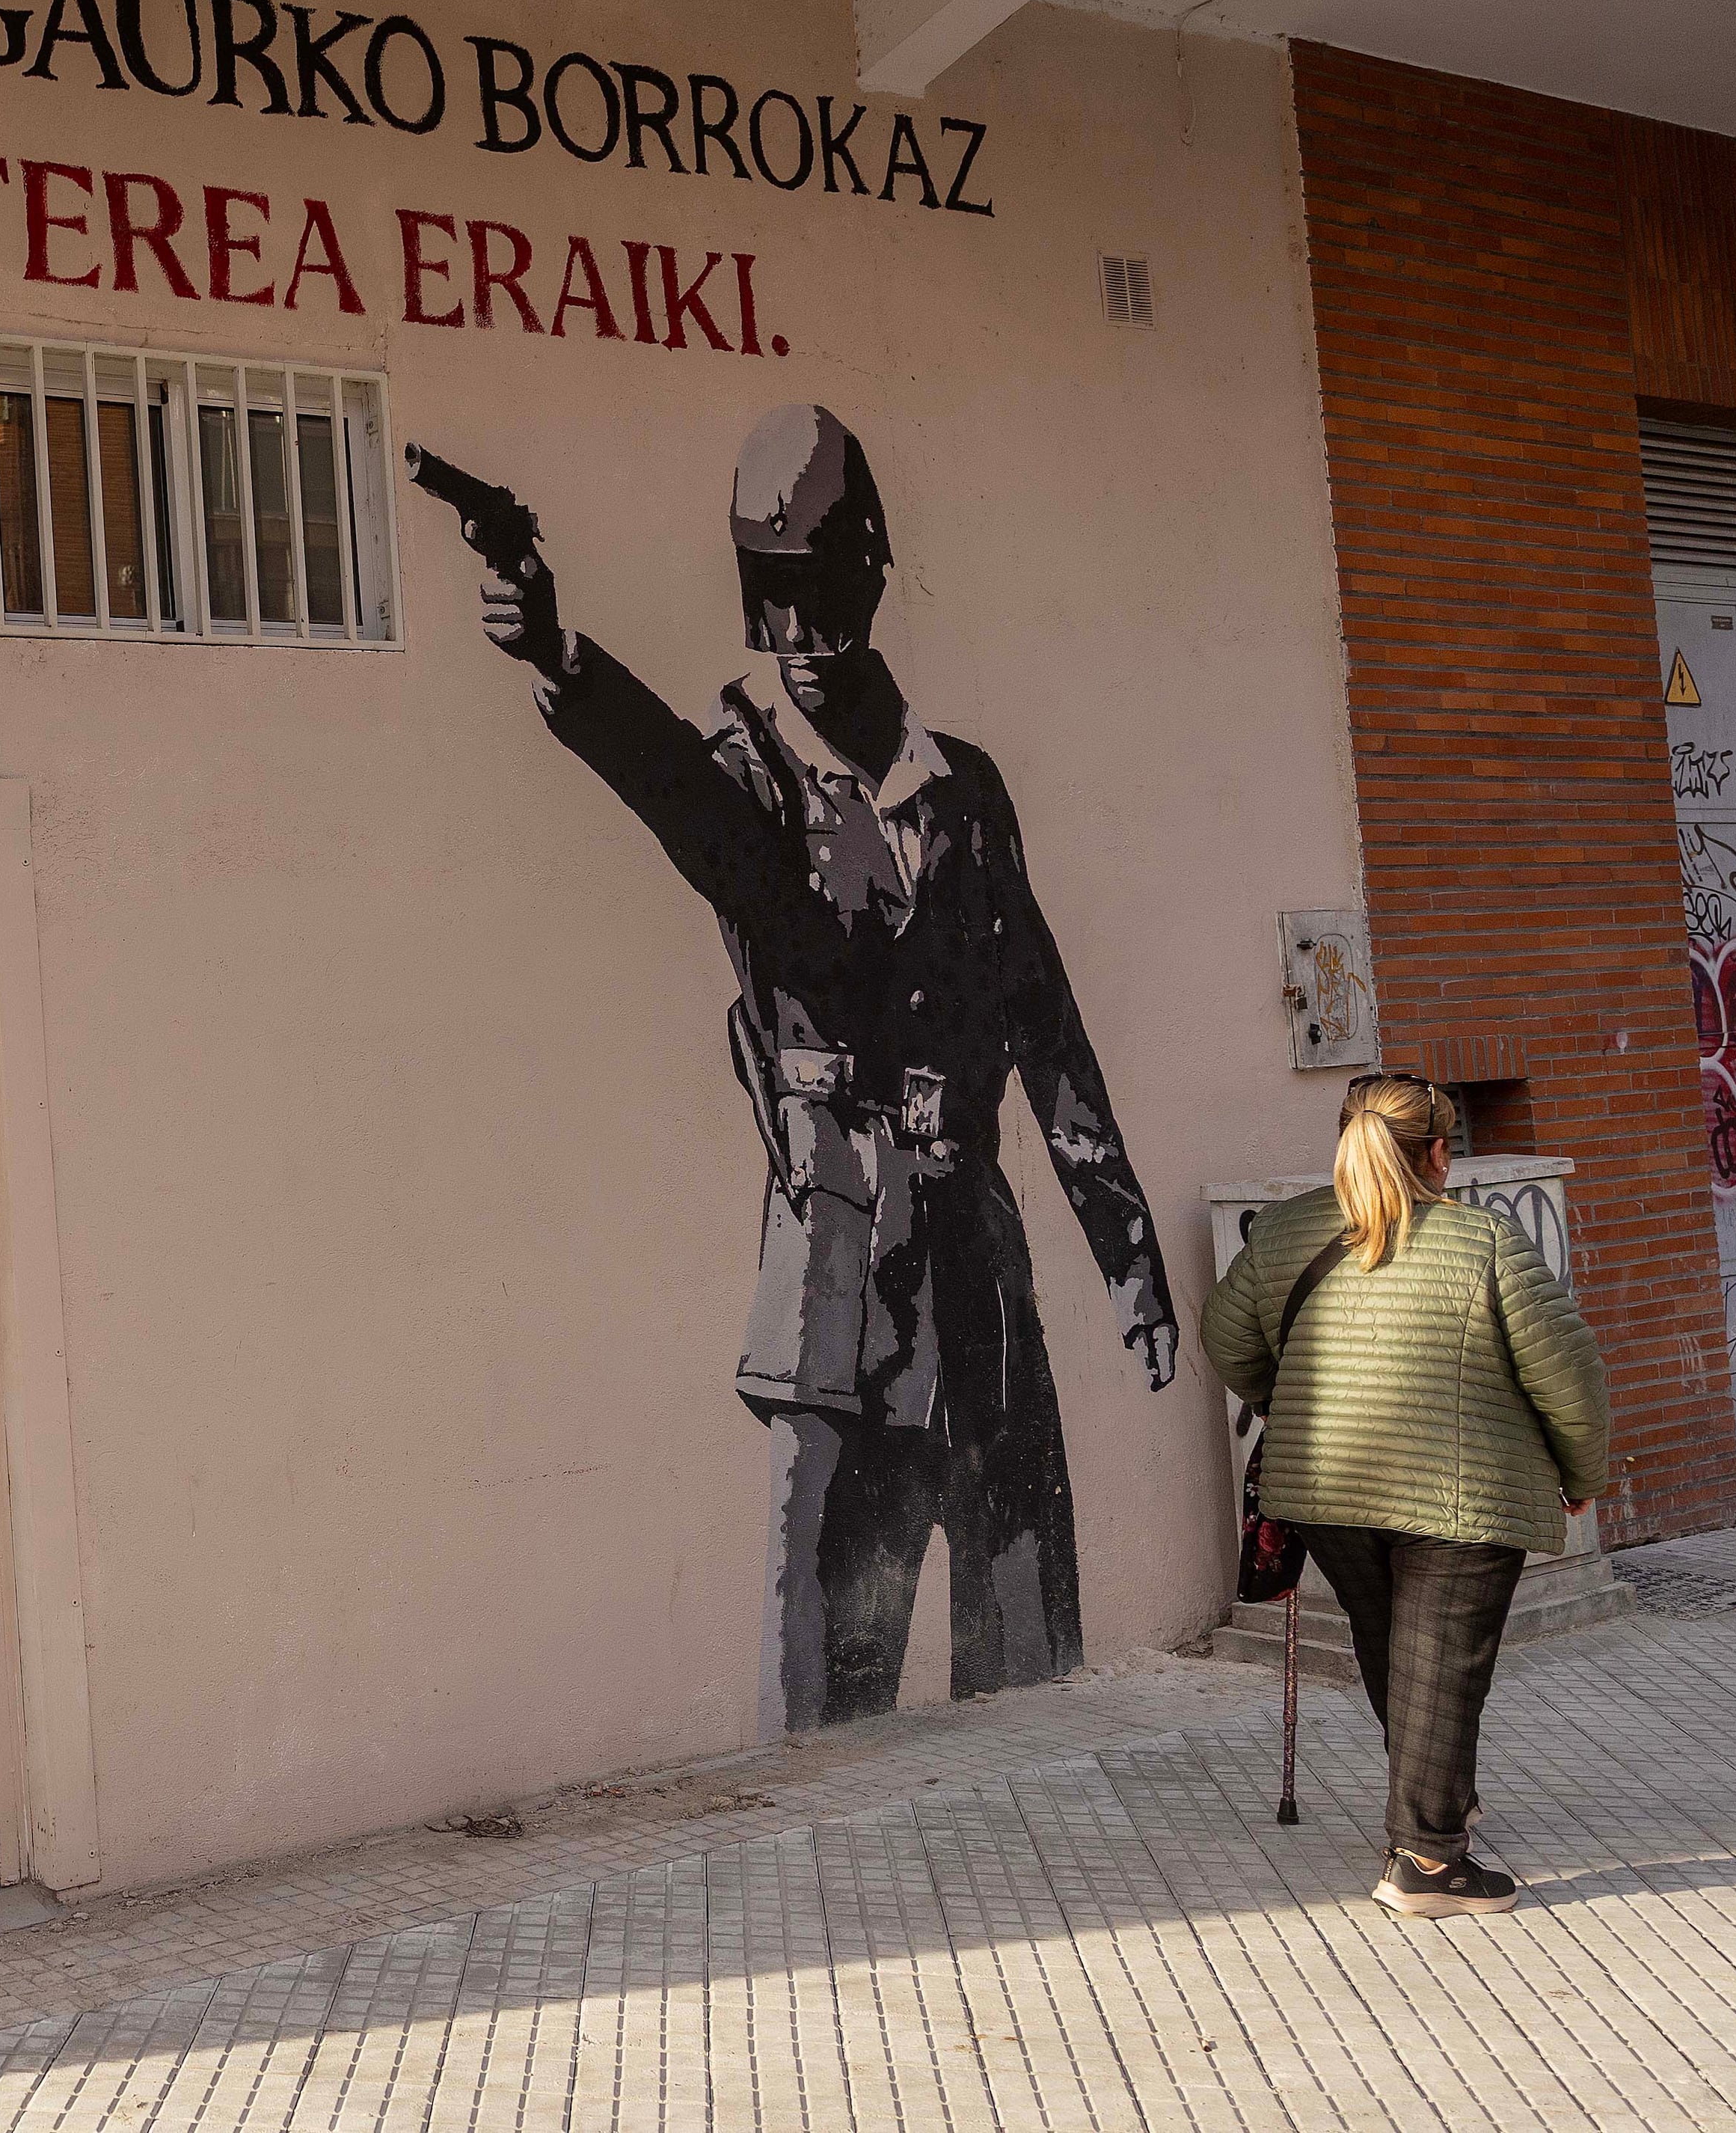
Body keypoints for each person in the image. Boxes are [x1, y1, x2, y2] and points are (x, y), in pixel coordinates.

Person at [423, 408, 1178, 1735]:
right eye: (770, 605)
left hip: (981, 1297)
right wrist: (558, 653)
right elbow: (682, 804)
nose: (801, 638)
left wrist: (1129, 1260)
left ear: (871, 575)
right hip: (840, 1303)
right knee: (826, 1720)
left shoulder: (968, 793)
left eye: (821, 597)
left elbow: (1046, 1026)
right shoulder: (751, 781)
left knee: (1036, 1671)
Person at [1200, 1072, 1612, 1917]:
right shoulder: (1481, 1244)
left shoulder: (1282, 1230)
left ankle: (1433, 1809)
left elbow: (1223, 1336)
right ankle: (1424, 1860)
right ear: (1436, 1154)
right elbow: (1567, 1373)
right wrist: (1580, 1474)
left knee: (1397, 1648)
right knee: (1440, 1663)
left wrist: (1292, 1397)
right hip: (1457, 1492)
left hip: (1323, 1486)